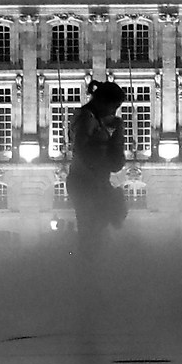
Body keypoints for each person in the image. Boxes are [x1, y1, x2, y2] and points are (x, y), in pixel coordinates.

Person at [64, 81, 129, 262]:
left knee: (102, 226)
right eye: (113, 107)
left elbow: (115, 161)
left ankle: (95, 262)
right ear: (103, 101)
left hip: (94, 180)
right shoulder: (86, 117)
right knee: (92, 229)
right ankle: (90, 265)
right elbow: (81, 149)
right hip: (85, 182)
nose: (114, 112)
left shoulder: (97, 119)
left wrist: (116, 134)